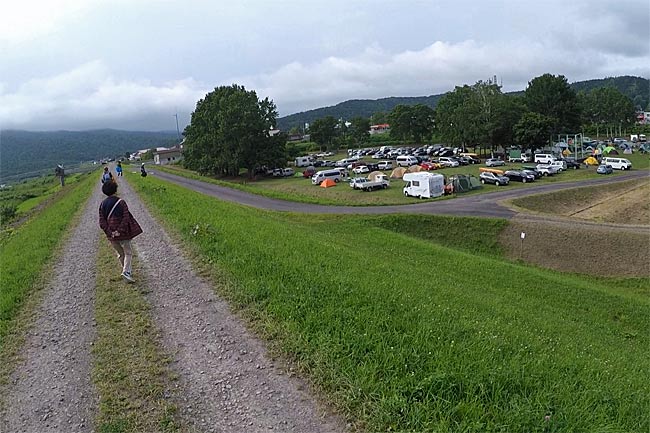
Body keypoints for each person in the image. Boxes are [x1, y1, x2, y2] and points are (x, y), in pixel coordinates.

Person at [98, 180, 143, 283]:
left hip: (112, 237)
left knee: (121, 254)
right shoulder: (121, 202)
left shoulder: (102, 204)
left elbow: (102, 222)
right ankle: (126, 272)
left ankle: (126, 271)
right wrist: (119, 230)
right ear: (115, 190)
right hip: (124, 234)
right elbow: (126, 218)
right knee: (128, 252)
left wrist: (111, 232)